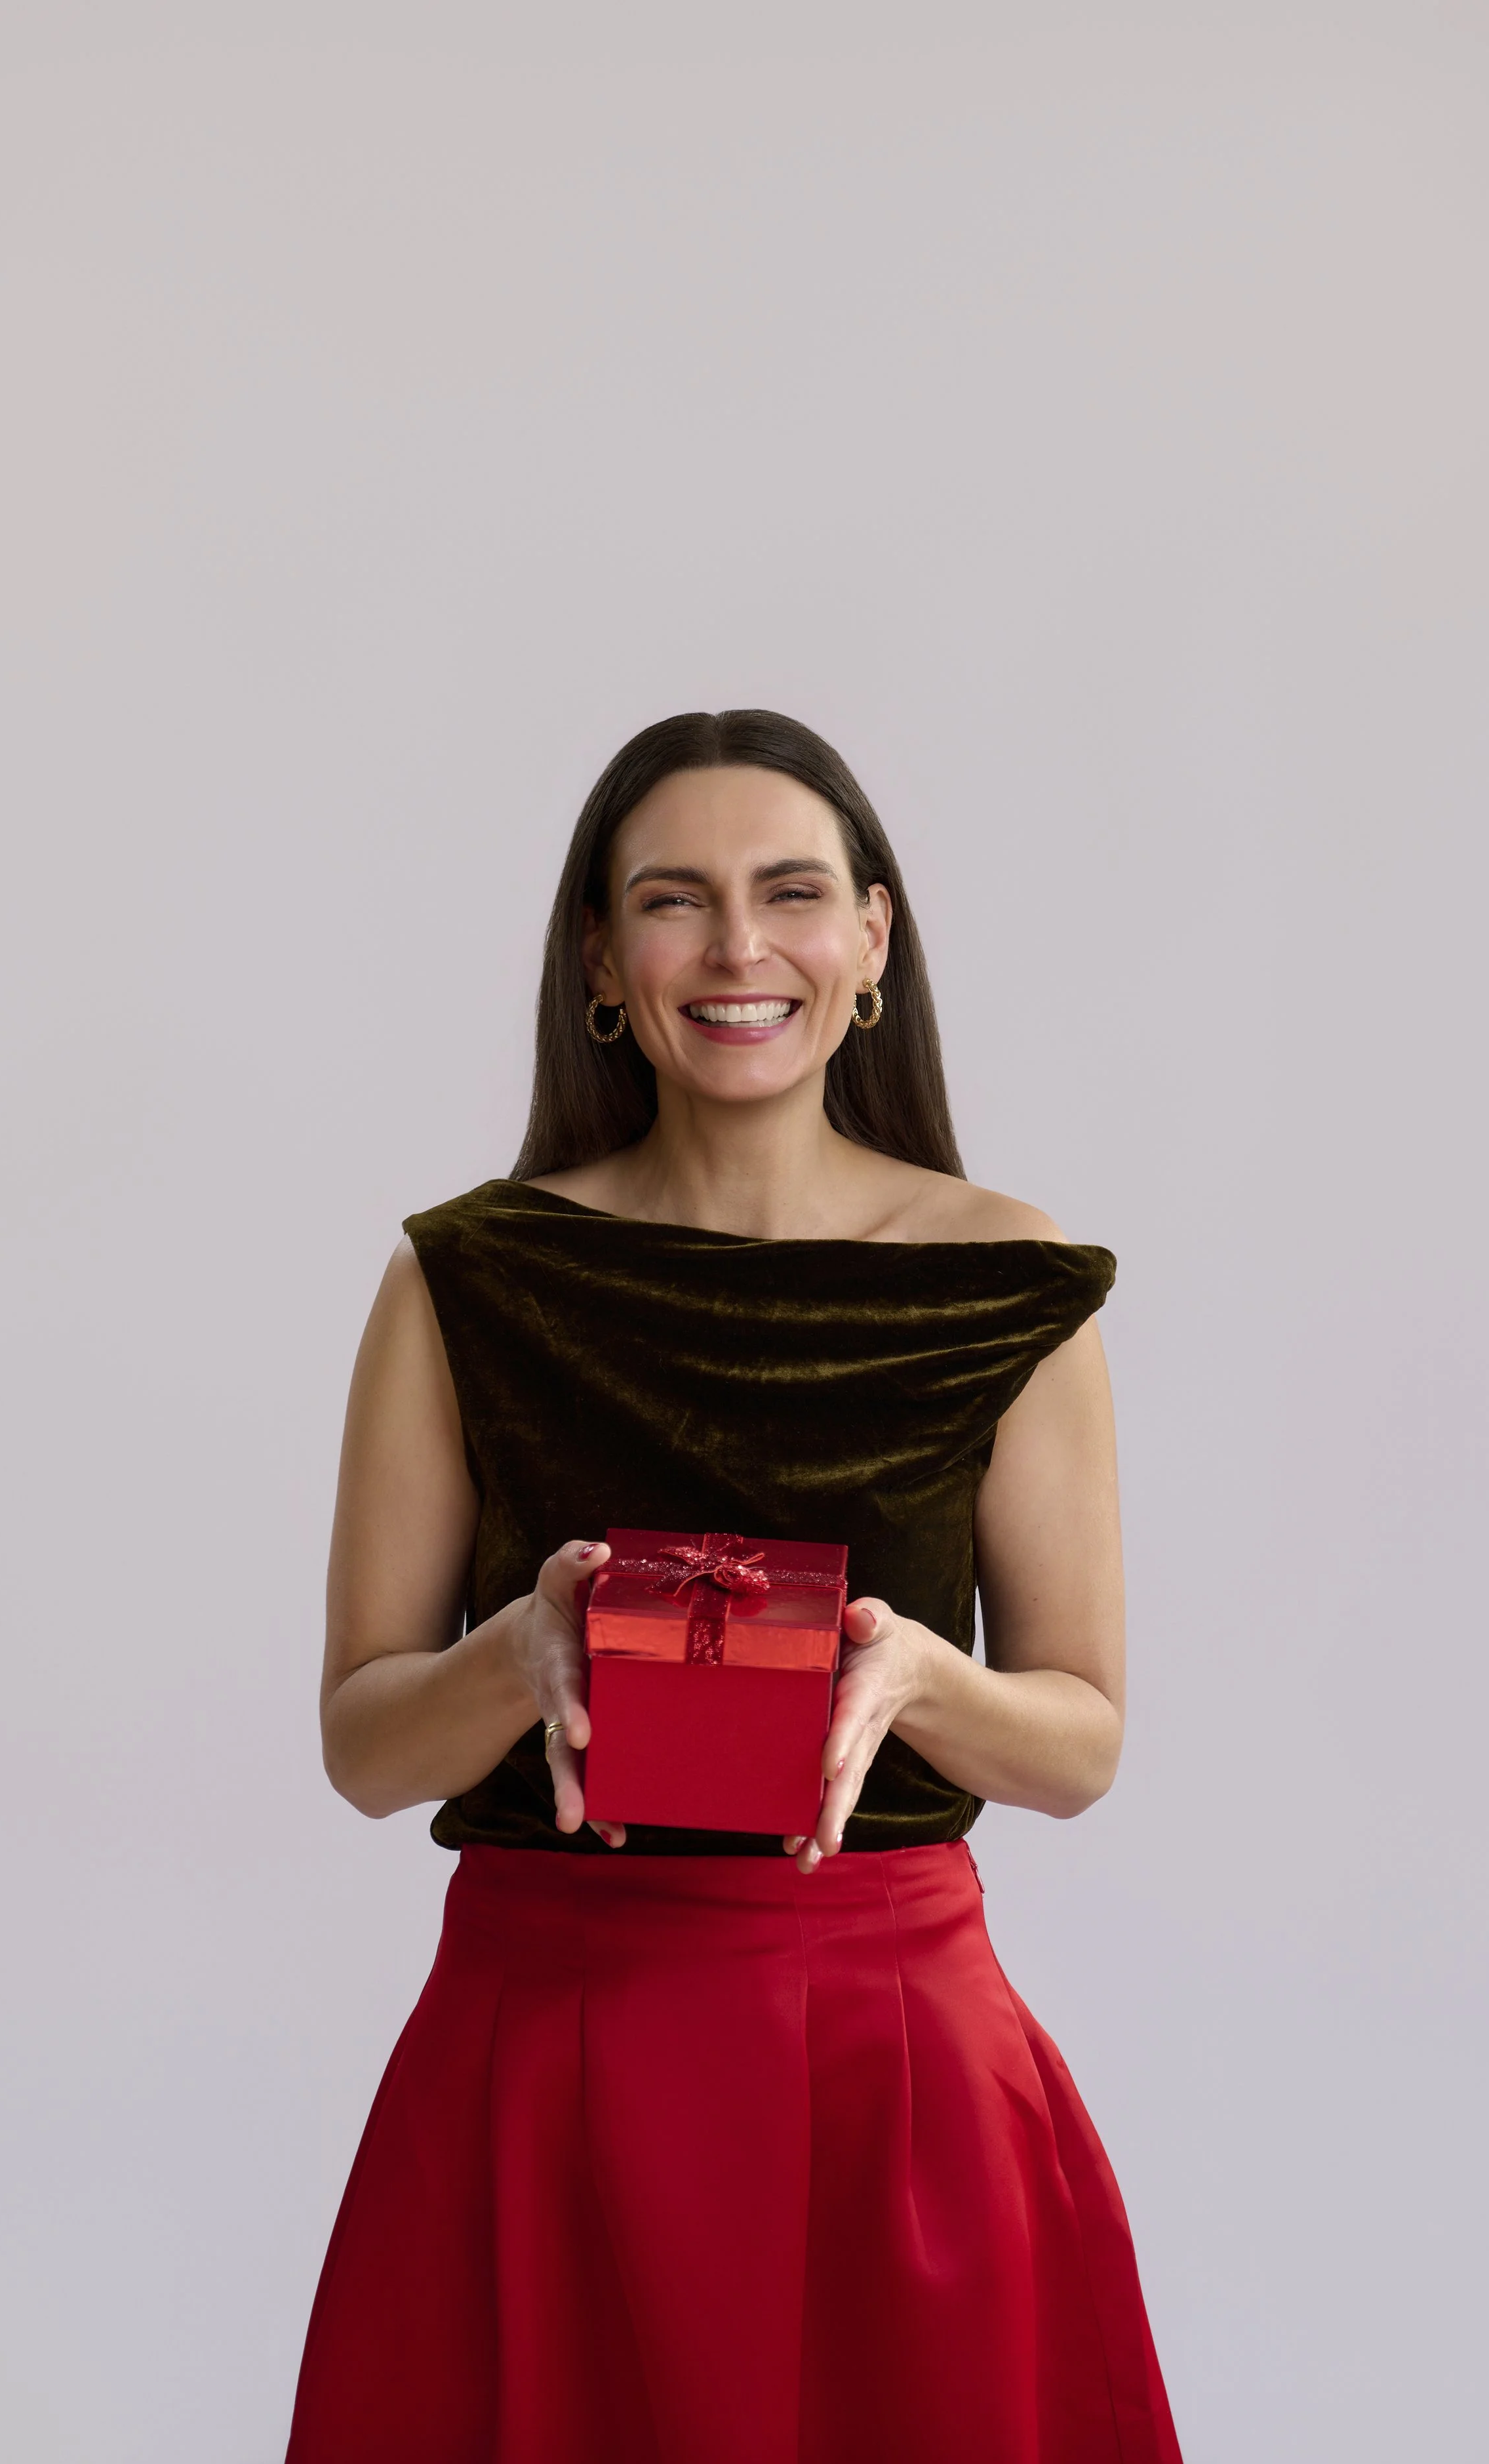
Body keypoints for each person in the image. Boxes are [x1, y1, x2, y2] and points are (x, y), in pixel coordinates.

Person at [285, 710, 1181, 2464]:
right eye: (673, 900)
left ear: (872, 937)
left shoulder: (1007, 1280)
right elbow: (363, 1746)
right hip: (544, 2055)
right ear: (600, 962)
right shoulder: (467, 1279)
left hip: (895, 2062)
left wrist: (921, 1679)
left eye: (789, 892)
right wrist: (515, 1653)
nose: (736, 947)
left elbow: (1079, 1744)